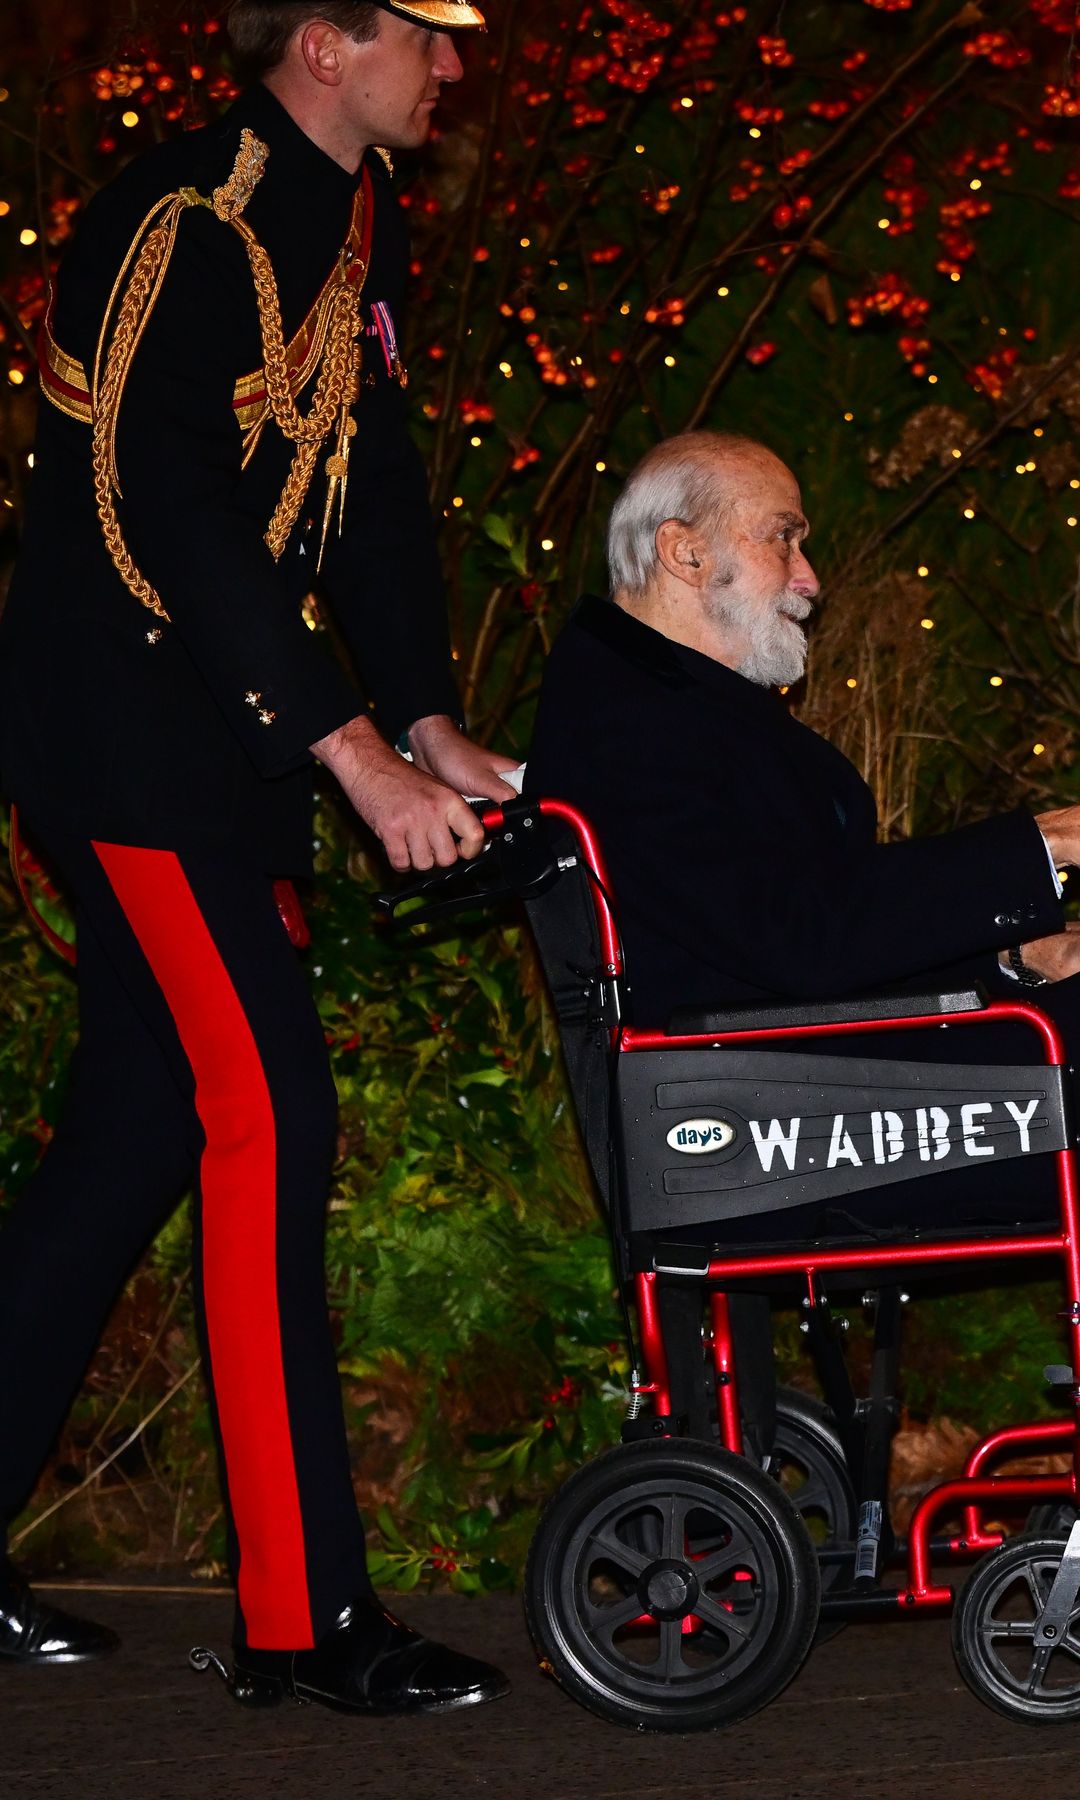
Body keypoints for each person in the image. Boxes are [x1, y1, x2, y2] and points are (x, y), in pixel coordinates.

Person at [0, 0, 519, 1715]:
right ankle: (306, 1620)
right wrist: (354, 755)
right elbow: (168, 505)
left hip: (214, 758)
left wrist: (431, 717)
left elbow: (362, 487)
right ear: (322, 42)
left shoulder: (338, 214)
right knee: (269, 1112)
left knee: (138, 1135)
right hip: (132, 753)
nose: (454, 69)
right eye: (430, 36)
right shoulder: (186, 220)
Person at [527, 430, 1080, 1442]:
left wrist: (1020, 953)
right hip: (763, 1108)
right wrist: (1037, 847)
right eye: (785, 538)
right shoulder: (633, 724)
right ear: (685, 552)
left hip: (797, 1073)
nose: (811, 577)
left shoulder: (663, 701)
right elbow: (798, 939)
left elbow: (797, 922)